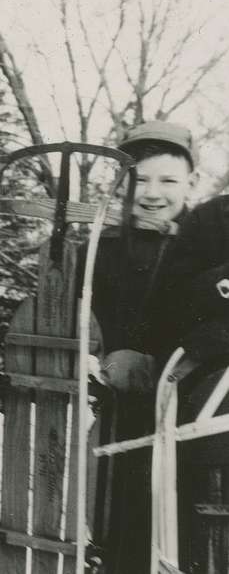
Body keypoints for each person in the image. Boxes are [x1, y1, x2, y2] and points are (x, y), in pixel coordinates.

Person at [85, 121, 195, 574]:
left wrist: (156, 363)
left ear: (191, 183)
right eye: (139, 179)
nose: (152, 192)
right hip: (107, 416)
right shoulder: (98, 248)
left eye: (168, 180)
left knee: (174, 535)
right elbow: (76, 318)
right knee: (109, 529)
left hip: (186, 419)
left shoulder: (207, 248)